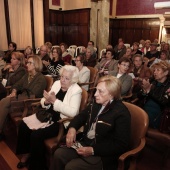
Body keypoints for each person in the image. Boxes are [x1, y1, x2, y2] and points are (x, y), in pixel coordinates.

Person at [50, 75, 131, 170]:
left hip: (103, 154)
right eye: (96, 90)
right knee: (59, 154)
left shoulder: (121, 113)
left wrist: (93, 150)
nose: (95, 94)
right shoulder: (95, 103)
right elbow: (81, 117)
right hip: (86, 143)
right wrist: (72, 129)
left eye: (100, 91)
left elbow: (121, 144)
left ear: (112, 94)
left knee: (71, 167)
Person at [16, 65, 82, 170]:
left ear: (73, 80)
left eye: (66, 78)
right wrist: (46, 101)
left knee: (36, 135)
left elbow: (73, 112)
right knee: (24, 125)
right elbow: (44, 100)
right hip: (47, 115)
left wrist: (55, 101)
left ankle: (38, 166)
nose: (62, 80)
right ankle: (26, 154)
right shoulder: (56, 83)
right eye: (62, 77)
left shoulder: (76, 90)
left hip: (60, 121)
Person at [0, 55, 46, 141]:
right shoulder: (27, 76)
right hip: (22, 99)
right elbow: (17, 84)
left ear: (36, 65)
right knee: (4, 101)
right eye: (27, 62)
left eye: (29, 63)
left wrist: (16, 96)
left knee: (5, 101)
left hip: (30, 104)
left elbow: (33, 94)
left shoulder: (41, 78)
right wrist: (14, 92)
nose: (27, 65)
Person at [137, 61, 170, 129]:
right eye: (154, 70)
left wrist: (149, 91)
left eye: (158, 70)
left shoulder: (168, 85)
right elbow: (139, 96)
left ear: (166, 72)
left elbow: (165, 102)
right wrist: (144, 91)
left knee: (139, 121)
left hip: (159, 113)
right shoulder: (152, 81)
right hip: (144, 108)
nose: (155, 72)